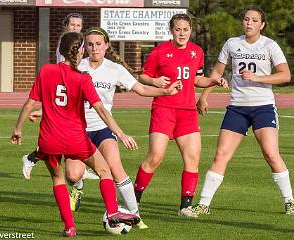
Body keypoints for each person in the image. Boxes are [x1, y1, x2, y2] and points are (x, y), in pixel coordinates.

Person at [28, 27, 182, 229]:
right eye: (90, 44)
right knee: (73, 175)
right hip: (78, 131)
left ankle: (135, 215)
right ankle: (78, 187)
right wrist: (42, 111)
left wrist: (165, 91)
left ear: (107, 45)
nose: (94, 48)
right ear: (84, 47)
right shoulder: (77, 67)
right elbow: (60, 98)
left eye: (99, 44)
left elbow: (141, 88)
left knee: (115, 169)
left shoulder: (114, 69)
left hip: (102, 128)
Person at [10, 32, 140, 238]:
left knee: (58, 179)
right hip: (75, 139)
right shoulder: (82, 78)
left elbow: (29, 104)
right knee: (105, 171)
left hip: (49, 140)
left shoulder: (46, 70)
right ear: (80, 51)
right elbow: (101, 110)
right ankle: (113, 211)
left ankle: (70, 227)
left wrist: (18, 129)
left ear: (60, 49)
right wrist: (120, 133)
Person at [193, 5, 294, 216]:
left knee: (271, 154)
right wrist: (204, 95)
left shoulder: (270, 45)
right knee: (221, 155)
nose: (249, 23)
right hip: (237, 108)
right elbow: (217, 72)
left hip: (263, 108)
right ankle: (203, 205)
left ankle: (290, 202)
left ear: (262, 25)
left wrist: (259, 78)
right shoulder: (232, 43)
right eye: (246, 19)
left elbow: (285, 75)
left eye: (254, 20)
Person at [132, 13, 229, 218]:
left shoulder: (197, 52)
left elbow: (198, 79)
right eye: (178, 29)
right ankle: (133, 201)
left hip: (187, 112)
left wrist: (214, 81)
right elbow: (143, 76)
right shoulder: (160, 52)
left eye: (186, 29)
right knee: (155, 157)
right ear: (171, 30)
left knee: (193, 159)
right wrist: (155, 81)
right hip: (164, 109)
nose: (182, 33)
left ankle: (185, 207)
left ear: (190, 30)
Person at [23, 12, 99, 181]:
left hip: (72, 93)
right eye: (72, 25)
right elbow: (61, 80)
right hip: (67, 96)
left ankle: (78, 166)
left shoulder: (78, 45)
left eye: (79, 25)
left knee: (72, 134)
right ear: (66, 26)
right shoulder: (64, 47)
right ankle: (32, 157)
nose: (76, 28)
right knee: (65, 135)